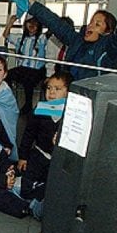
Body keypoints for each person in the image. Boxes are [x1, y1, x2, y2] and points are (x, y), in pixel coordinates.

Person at [27, 0, 117, 80]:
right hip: (69, 90)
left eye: (97, 24)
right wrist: (35, 6)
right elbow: (57, 24)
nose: (91, 26)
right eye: (91, 21)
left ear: (106, 32)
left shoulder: (108, 49)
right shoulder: (77, 39)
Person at [17, 71, 72, 201]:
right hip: (39, 154)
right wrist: (23, 157)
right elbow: (28, 135)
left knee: (55, 188)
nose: (51, 92)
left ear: (68, 93)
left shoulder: (71, 113)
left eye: (57, 89)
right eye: (49, 88)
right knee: (26, 189)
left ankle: (40, 195)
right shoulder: (40, 109)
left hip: (58, 161)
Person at [3, 14, 47, 114]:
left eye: (35, 23)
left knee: (29, 80)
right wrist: (10, 23)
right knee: (6, 75)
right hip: (23, 68)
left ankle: (28, 105)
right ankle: (9, 101)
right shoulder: (20, 38)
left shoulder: (42, 38)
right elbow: (6, 35)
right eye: (29, 23)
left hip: (37, 70)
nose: (32, 26)